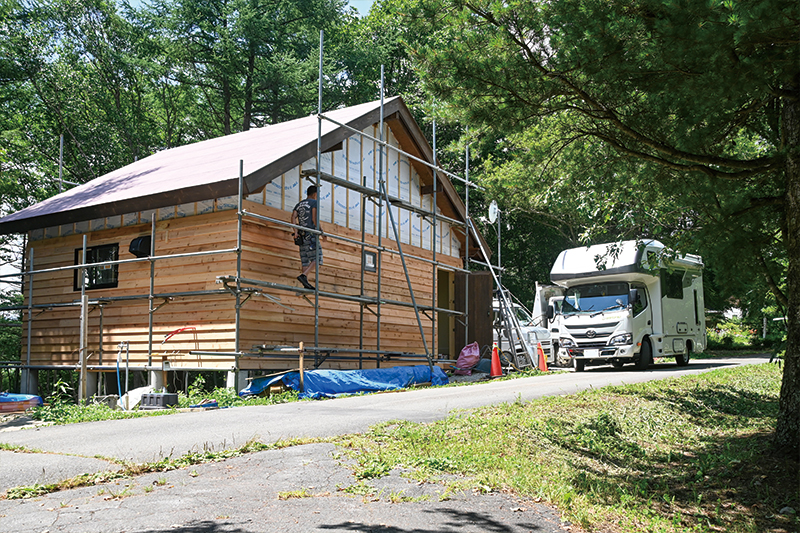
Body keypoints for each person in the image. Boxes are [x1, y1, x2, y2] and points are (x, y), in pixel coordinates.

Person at [291, 185, 324, 290]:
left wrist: (295, 232)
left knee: (305, 260)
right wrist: (322, 232)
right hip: (311, 234)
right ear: (315, 194)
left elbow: (293, 217)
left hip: (302, 235)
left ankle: (305, 282)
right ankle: (304, 276)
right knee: (318, 258)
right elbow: (314, 219)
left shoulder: (299, 204)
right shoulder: (314, 203)